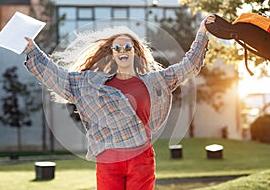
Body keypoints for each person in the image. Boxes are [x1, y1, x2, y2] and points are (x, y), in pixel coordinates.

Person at [24, 15, 215, 190]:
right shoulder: (91, 84)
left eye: (127, 47)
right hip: (108, 160)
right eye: (117, 48)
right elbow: (57, 76)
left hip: (141, 158)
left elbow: (188, 66)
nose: (122, 51)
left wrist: (202, 33)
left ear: (135, 51)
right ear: (112, 53)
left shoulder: (155, 81)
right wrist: (33, 50)